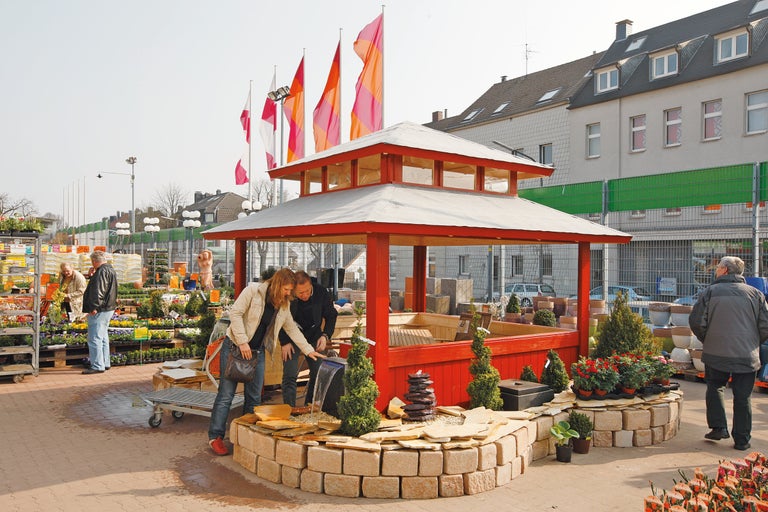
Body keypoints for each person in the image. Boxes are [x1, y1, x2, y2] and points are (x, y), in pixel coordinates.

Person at [207, 268, 325, 456]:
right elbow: (235, 314)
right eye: (286, 289)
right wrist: (242, 341)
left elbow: (292, 328)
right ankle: (216, 437)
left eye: (290, 290)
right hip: (235, 347)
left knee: (254, 397)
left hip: (258, 351)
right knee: (226, 395)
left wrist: (308, 350)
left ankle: (245, 435)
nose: (288, 293)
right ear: (278, 284)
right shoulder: (253, 291)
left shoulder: (284, 305)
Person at [689, 256, 768, 451]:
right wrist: (752, 343)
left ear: (725, 270)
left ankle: (718, 428)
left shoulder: (710, 292)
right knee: (743, 397)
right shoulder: (756, 294)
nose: (716, 270)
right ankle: (742, 440)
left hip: (716, 353)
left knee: (715, 386)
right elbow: (765, 325)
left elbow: (697, 322)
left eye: (718, 267)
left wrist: (709, 339)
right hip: (747, 355)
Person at [279, 271, 338, 408]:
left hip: (314, 336)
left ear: (311, 285)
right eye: (300, 293)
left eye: (307, 291)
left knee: (318, 372)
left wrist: (325, 336)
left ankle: (309, 407)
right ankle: (289, 409)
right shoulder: (288, 295)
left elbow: (331, 315)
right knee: (290, 374)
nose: (304, 295)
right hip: (291, 337)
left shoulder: (321, 292)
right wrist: (284, 342)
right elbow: (280, 319)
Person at [81, 250, 118, 374]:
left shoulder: (101, 272)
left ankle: (97, 365)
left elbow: (99, 291)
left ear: (94, 261)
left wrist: (93, 307)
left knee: (95, 338)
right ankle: (105, 362)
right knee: (102, 337)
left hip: (100, 309)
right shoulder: (110, 270)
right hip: (108, 307)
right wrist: (92, 276)